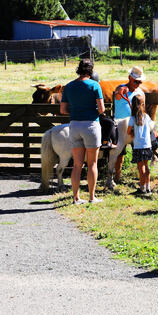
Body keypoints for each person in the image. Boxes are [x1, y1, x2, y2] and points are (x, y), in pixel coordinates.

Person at [60, 58, 105, 205]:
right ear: (91, 70)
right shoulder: (95, 85)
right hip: (91, 125)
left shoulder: (69, 86)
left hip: (74, 125)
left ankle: (76, 198)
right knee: (92, 163)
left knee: (77, 165)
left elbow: (63, 110)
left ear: (79, 70)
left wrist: (76, 111)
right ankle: (92, 197)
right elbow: (102, 109)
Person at [113, 66, 146, 182]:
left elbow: (142, 110)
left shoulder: (141, 93)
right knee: (118, 153)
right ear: (129, 78)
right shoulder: (121, 88)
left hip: (134, 126)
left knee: (138, 153)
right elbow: (117, 95)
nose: (137, 84)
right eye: (135, 81)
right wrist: (121, 91)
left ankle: (141, 179)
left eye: (139, 82)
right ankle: (117, 176)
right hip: (120, 126)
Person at [127, 95, 155, 195]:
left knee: (141, 168)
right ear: (143, 105)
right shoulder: (146, 117)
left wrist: (132, 133)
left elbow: (128, 131)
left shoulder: (132, 118)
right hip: (147, 145)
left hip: (138, 146)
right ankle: (148, 188)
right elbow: (152, 126)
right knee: (146, 167)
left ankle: (142, 189)